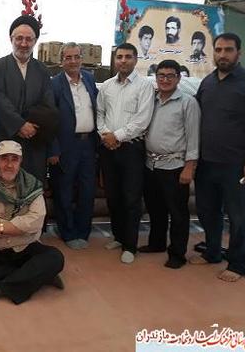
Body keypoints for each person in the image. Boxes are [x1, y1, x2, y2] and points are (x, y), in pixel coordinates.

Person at [191, 33, 245, 282]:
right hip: (207, 162)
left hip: (237, 164)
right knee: (207, 211)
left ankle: (238, 264)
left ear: (239, 53)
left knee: (238, 216)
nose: (222, 54)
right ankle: (213, 252)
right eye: (218, 50)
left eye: (228, 50)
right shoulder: (208, 83)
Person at [0, 140, 65, 306]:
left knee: (56, 258)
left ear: (20, 161)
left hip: (25, 246)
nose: (9, 165)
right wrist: (23, 227)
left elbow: (37, 221)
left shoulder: (32, 185)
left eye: (14, 159)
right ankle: (38, 277)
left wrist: (0, 227)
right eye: (4, 158)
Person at [97, 43, 154, 263]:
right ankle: (118, 237)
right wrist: (106, 135)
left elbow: (142, 120)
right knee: (113, 196)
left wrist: (117, 136)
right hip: (108, 148)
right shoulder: (107, 86)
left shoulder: (144, 86)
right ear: (115, 60)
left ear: (135, 59)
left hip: (132, 149)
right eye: (119, 57)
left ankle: (130, 245)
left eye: (128, 56)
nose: (123, 60)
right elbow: (100, 113)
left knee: (131, 198)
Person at [142, 60, 200, 269]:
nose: (165, 80)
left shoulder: (188, 102)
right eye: (161, 75)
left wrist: (189, 167)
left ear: (178, 78)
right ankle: (156, 243)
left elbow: (193, 137)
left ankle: (177, 253)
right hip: (151, 165)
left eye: (170, 76)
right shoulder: (151, 100)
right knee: (155, 208)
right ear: (156, 78)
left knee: (178, 213)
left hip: (175, 166)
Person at [0, 15, 56, 184]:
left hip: (35, 138)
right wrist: (19, 125)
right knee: (7, 185)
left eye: (29, 39)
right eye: (19, 38)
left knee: (33, 184)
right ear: (11, 39)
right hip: (6, 135)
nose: (24, 44)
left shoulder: (42, 70)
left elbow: (48, 103)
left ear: (35, 41)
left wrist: (32, 127)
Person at [48, 43, 98, 249]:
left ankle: (83, 232)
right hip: (65, 146)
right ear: (61, 61)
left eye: (76, 57)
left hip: (89, 145)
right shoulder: (54, 84)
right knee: (64, 192)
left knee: (87, 191)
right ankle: (68, 233)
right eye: (68, 58)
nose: (73, 61)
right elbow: (49, 120)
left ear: (81, 59)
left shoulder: (89, 79)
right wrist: (53, 149)